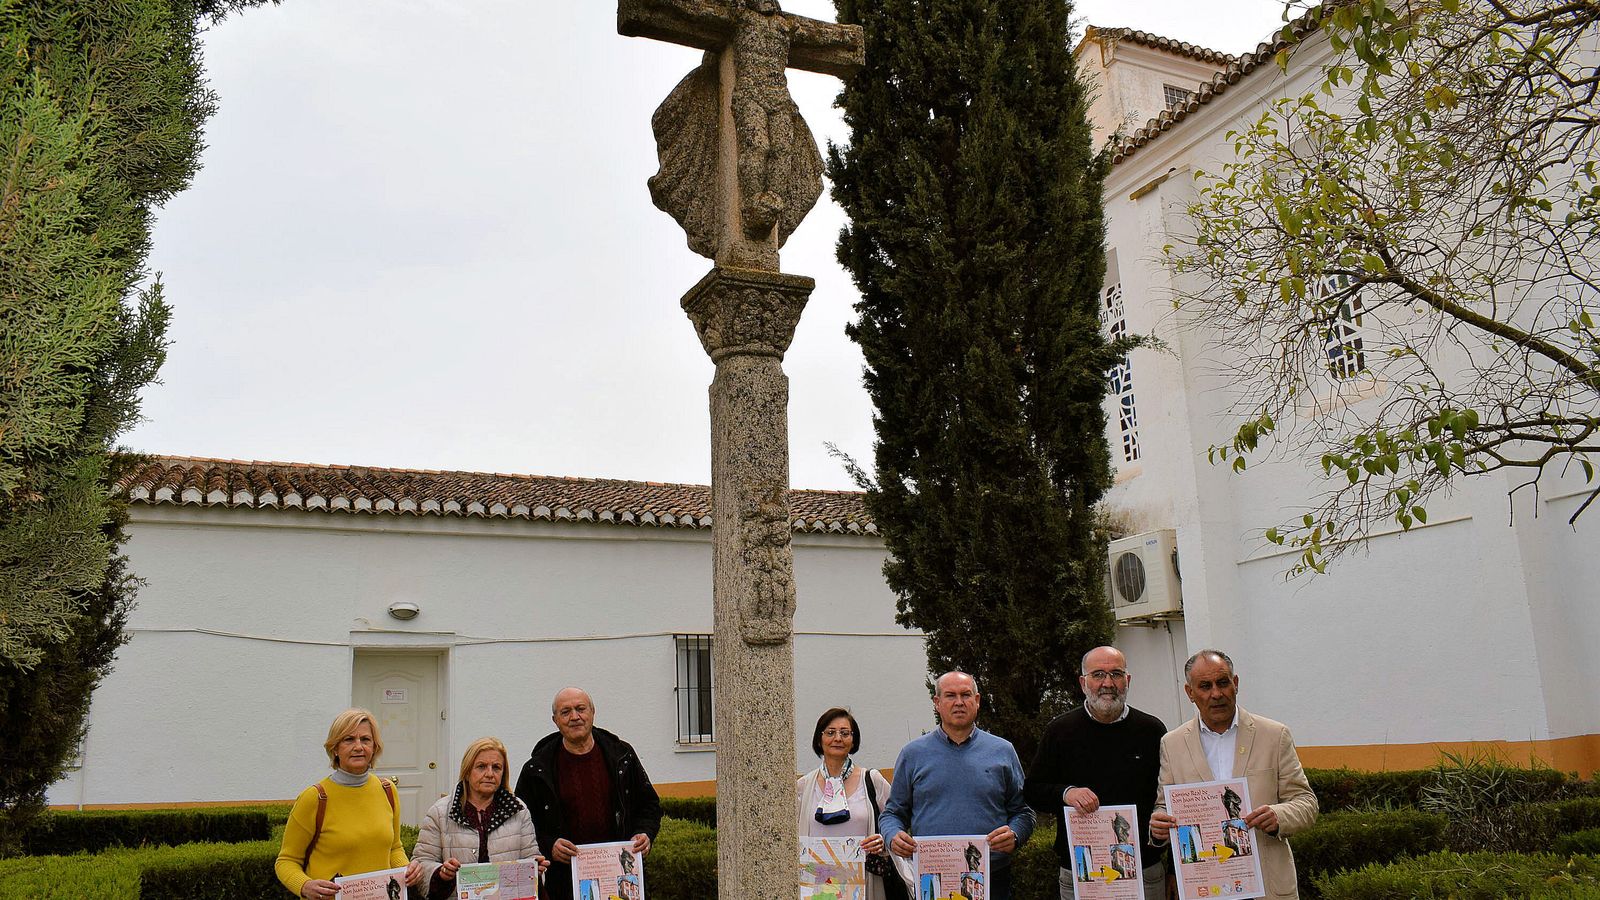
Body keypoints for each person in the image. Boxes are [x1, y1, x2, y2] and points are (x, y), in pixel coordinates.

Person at [1150, 650, 1318, 900]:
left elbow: (1306, 803)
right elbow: (1164, 806)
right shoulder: (1172, 744)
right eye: (1205, 686)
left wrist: (1278, 815)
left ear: (1236, 683)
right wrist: (1158, 825)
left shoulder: (1274, 735)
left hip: (1266, 887)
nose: (1216, 694)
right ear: (1190, 693)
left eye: (1223, 682)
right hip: (1204, 887)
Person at [1024, 645, 1167, 900]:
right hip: (1082, 870)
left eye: (1116, 674)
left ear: (1128, 680)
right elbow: (1033, 790)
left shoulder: (1152, 730)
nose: (1108, 683)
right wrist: (1066, 793)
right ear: (1083, 682)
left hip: (1144, 870)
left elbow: (1164, 794)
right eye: (1098, 674)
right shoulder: (1059, 731)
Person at [880, 672, 1035, 900]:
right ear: (937, 703)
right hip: (933, 877)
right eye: (950, 696)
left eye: (966, 695)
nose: (959, 702)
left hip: (993, 876)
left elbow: (1024, 811)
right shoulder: (913, 754)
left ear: (978, 700)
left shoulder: (1002, 751)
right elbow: (892, 813)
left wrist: (1015, 834)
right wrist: (893, 835)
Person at [514, 687, 662, 900]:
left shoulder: (623, 755)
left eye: (580, 709)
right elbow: (522, 823)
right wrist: (549, 844)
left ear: (592, 712)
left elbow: (649, 805)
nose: (575, 717)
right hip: (562, 882)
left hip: (620, 876)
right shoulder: (537, 768)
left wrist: (644, 833)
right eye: (565, 712)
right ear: (555, 720)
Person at [275, 708, 420, 899]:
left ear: (374, 747)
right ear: (335, 748)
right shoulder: (314, 797)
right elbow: (286, 860)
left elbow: (394, 847)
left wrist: (406, 869)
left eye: (365, 740)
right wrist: (304, 885)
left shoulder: (387, 791)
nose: (358, 746)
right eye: (349, 739)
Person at [413, 737, 548, 899]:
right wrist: (441, 873)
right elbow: (421, 862)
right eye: (481, 766)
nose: (490, 774)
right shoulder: (440, 812)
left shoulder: (519, 810)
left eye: (497, 767)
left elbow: (530, 857)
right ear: (467, 771)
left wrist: (535, 868)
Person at [797, 707, 904, 900]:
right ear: (819, 739)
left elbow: (896, 822)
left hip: (865, 883)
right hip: (817, 887)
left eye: (845, 733)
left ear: (853, 740)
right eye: (830, 732)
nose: (838, 738)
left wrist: (884, 841)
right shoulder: (803, 787)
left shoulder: (872, 780)